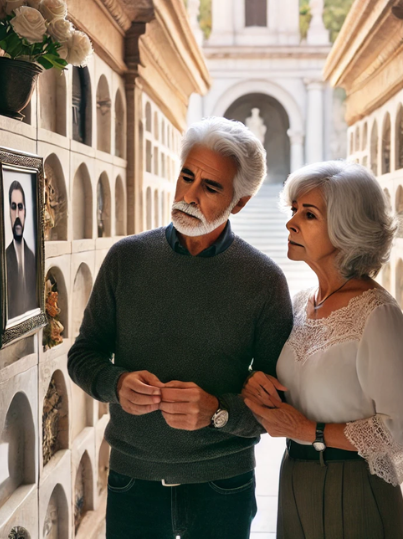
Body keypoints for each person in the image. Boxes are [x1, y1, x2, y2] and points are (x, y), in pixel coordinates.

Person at [67, 117, 293, 539]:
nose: (188, 195)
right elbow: (83, 356)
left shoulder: (264, 281)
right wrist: (115, 384)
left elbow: (276, 406)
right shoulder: (126, 259)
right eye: (187, 176)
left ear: (239, 203)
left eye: (210, 187)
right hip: (133, 480)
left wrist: (219, 412)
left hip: (223, 485)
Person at [242, 160, 403, 539]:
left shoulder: (378, 315)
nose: (291, 222)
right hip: (295, 476)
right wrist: (255, 384)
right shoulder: (298, 305)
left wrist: (312, 431)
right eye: (294, 210)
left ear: (347, 228)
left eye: (309, 214)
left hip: (354, 486)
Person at [5, 180, 37, 318]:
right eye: (13, 207)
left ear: (26, 212)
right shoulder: (4, 258)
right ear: (8, 212)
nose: (17, 215)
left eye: (20, 207)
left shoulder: (33, 257)